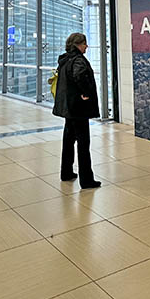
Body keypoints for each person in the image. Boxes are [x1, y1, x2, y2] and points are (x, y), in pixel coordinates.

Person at [52, 33, 100, 189]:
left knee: (68, 141)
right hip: (78, 109)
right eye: (84, 43)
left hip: (69, 108)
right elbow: (79, 76)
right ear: (78, 44)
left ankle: (66, 172)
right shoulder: (78, 60)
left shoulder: (65, 60)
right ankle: (86, 180)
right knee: (83, 143)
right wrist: (86, 92)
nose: (86, 46)